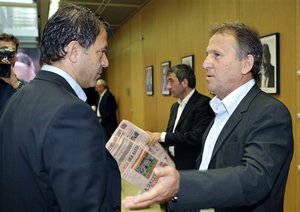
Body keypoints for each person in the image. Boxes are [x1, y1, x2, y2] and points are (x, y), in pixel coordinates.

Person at [123, 21, 294, 212]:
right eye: (207, 55)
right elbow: (207, 168)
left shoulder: (269, 112)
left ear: (246, 63)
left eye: (217, 55)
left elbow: (255, 179)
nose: (205, 64)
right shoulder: (220, 110)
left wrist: (181, 184)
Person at [0, 3, 121, 212]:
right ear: (74, 51)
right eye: (101, 52)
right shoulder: (72, 113)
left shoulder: (19, 98)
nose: (106, 62)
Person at [148, 64, 214, 170]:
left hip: (190, 167)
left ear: (184, 83)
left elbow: (197, 137)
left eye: (171, 81)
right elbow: (170, 133)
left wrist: (161, 136)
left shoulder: (203, 104)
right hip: (172, 163)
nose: (168, 86)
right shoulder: (175, 106)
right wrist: (153, 138)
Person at [0, 33, 23, 113]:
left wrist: (16, 85)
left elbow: (32, 108)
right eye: (2, 53)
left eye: (11, 54)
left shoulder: (23, 87)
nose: (6, 58)